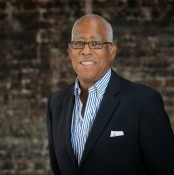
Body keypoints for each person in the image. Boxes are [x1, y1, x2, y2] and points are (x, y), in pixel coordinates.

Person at [46, 14, 174, 175]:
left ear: (112, 51)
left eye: (96, 43)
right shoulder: (56, 103)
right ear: (70, 50)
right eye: (78, 43)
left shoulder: (143, 101)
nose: (86, 51)